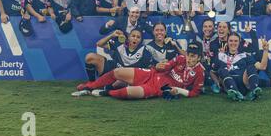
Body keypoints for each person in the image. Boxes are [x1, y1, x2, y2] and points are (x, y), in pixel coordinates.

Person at [73, 42, 205, 100]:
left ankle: (106, 92)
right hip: (151, 73)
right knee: (118, 72)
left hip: (157, 88)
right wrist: (160, 66)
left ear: (199, 57)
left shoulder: (200, 72)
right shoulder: (180, 58)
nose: (189, 58)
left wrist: (179, 91)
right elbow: (165, 67)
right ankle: (90, 86)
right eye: (189, 54)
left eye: (193, 56)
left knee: (127, 93)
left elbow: (194, 93)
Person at [83, 28, 154, 83]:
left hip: (128, 78)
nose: (135, 38)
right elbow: (99, 44)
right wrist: (112, 35)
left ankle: (108, 87)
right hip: (113, 71)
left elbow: (148, 70)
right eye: (133, 36)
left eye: (138, 37)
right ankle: (91, 82)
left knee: (121, 82)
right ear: (129, 37)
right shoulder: (120, 44)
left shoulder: (144, 51)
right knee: (90, 57)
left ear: (141, 40)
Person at [212, 32, 262, 101]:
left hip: (243, 84)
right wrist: (217, 83)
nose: (233, 43)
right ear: (227, 42)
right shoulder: (220, 56)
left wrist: (265, 51)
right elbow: (212, 72)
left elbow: (262, 67)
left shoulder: (245, 55)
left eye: (236, 41)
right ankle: (235, 92)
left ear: (239, 42)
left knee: (251, 67)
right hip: (229, 87)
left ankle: (254, 90)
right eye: (231, 41)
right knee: (222, 70)